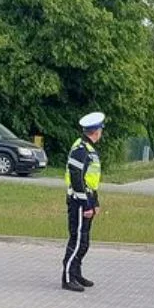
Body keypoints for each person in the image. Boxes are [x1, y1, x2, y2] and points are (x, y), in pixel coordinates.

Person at [61, 112, 104, 292]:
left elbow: (91, 181)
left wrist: (95, 202)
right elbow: (77, 178)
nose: (101, 133)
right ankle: (68, 278)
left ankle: (77, 273)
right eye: (101, 129)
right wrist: (86, 204)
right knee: (77, 240)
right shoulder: (81, 149)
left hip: (87, 200)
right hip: (78, 202)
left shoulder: (89, 148)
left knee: (84, 241)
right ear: (96, 131)